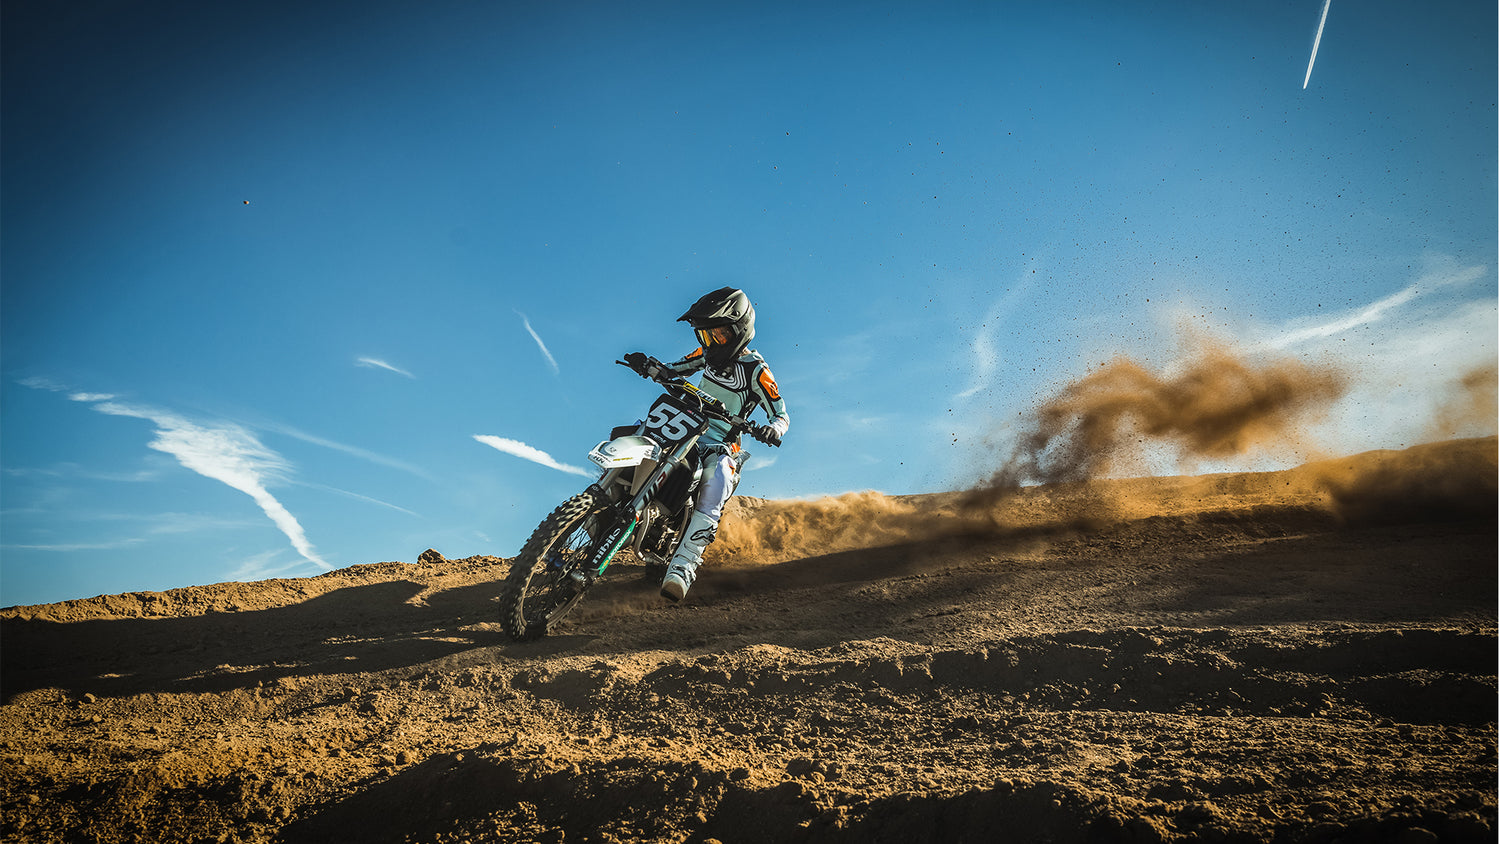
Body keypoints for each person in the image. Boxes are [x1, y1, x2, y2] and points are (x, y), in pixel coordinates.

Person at [623, 287, 790, 602]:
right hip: (685, 426)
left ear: (740, 330)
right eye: (705, 336)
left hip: (719, 444)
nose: (710, 343)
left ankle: (683, 567)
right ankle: (602, 508)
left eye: (718, 336)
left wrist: (772, 430)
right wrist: (647, 365)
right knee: (635, 433)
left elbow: (781, 414)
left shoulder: (756, 370)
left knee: (716, 485)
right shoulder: (703, 356)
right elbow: (673, 371)